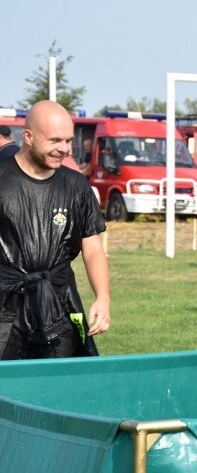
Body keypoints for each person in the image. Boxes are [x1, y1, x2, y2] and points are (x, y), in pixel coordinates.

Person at [0, 100, 111, 359]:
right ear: (28, 137)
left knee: (65, 383)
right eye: (55, 141)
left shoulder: (76, 185)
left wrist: (103, 297)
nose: (64, 149)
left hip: (60, 301)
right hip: (5, 304)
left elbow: (93, 248)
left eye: (68, 141)